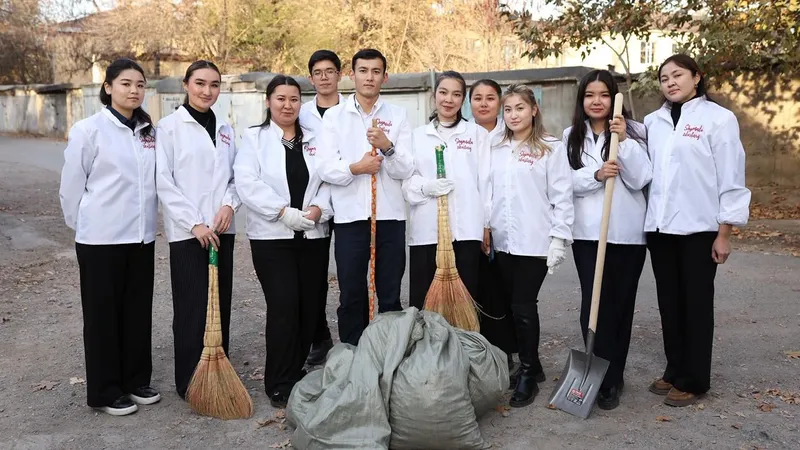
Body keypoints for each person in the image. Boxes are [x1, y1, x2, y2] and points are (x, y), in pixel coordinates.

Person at [644, 54, 750, 407]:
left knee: (696, 304)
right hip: (660, 229)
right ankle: (675, 368)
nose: (670, 82)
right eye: (663, 78)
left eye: (677, 75)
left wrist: (725, 232)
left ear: (696, 77)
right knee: (669, 303)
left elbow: (731, 178)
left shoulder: (718, 120)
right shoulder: (652, 122)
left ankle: (695, 379)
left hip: (699, 228)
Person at [59, 58, 160, 416]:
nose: (134, 91)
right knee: (103, 317)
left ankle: (135, 379)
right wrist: (85, 225)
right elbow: (71, 187)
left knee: (136, 312)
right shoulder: (89, 130)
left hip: (141, 238)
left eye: (140, 85)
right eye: (125, 84)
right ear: (108, 87)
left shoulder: (149, 131)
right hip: (100, 240)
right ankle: (104, 390)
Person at [234, 75, 333, 408]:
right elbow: (246, 182)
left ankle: (297, 370)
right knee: (284, 306)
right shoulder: (254, 138)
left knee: (309, 305)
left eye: (293, 99)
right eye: (280, 99)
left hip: (312, 235)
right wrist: (282, 212)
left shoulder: (317, 138)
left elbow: (329, 179)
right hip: (273, 238)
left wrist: (320, 209)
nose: (287, 105)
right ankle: (278, 381)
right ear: (268, 102)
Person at [563, 69, 652, 410]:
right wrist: (596, 174)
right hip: (588, 235)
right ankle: (594, 371)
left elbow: (643, 177)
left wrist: (625, 141)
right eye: (590, 95)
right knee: (593, 303)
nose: (596, 101)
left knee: (620, 305)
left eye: (603, 95)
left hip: (627, 235)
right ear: (582, 100)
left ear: (613, 97)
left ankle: (613, 377)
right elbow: (564, 183)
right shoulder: (572, 136)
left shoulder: (637, 132)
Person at [155, 60, 241, 400]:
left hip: (222, 228)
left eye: (214, 85)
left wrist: (227, 206)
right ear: (186, 84)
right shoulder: (168, 128)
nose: (207, 91)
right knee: (192, 304)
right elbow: (164, 181)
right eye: (200, 83)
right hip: (189, 233)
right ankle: (190, 379)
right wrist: (194, 223)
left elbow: (236, 176)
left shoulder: (226, 127)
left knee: (221, 302)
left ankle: (218, 369)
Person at [316, 48, 414, 346]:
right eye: (363, 70)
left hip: (390, 217)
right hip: (350, 218)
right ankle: (353, 358)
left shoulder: (397, 116)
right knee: (352, 292)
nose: (369, 77)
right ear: (352, 75)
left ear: (384, 77)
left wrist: (388, 147)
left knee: (389, 291)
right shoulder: (334, 117)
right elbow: (324, 167)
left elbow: (405, 168)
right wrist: (357, 168)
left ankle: (388, 355)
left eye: (375, 71)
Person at [489, 84, 573, 408]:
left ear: (533, 109)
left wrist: (558, 239)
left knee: (524, 307)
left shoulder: (550, 148)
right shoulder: (496, 147)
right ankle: (533, 365)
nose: (513, 115)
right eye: (508, 109)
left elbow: (562, 197)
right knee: (509, 307)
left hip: (534, 242)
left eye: (519, 108)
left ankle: (526, 373)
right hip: (503, 241)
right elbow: (490, 193)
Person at [403, 71, 490, 313]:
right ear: (434, 96)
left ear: (463, 100)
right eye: (443, 92)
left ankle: (464, 348)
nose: (448, 99)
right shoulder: (417, 136)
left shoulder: (477, 135)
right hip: (427, 232)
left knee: (465, 301)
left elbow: (486, 184)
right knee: (424, 301)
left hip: (466, 232)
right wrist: (426, 187)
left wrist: (486, 224)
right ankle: (426, 350)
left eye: (456, 94)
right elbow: (407, 183)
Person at [469, 78, 517, 371]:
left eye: (490, 98)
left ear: (500, 102)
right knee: (480, 291)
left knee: (506, 291)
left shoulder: (510, 135)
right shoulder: (465, 134)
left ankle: (509, 353)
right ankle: (481, 354)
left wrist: (489, 224)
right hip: (470, 225)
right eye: (477, 98)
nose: (484, 104)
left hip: (505, 223)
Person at [299, 50, 343, 366]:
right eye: (318, 72)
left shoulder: (353, 110)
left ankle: (364, 335)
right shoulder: (300, 114)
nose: (324, 76)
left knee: (354, 273)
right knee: (313, 275)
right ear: (311, 77)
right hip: (315, 205)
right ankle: (319, 336)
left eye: (330, 71)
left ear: (340, 75)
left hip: (350, 200)